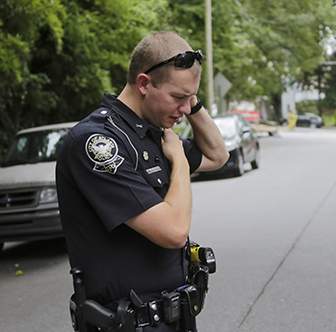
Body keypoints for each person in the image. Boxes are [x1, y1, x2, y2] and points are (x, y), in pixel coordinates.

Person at [56, 31, 229, 331]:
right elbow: (174, 231)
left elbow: (218, 155)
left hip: (175, 317)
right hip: (128, 323)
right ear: (144, 84)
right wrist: (179, 164)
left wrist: (191, 99)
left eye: (191, 98)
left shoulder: (153, 134)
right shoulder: (97, 142)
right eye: (178, 98)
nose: (186, 110)